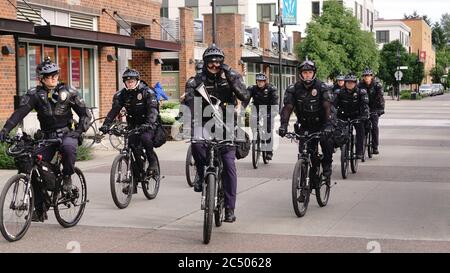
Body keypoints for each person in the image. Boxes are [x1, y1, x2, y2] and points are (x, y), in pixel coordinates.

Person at [0, 57, 91, 222]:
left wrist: (78, 132)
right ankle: (40, 207)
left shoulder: (69, 91)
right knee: (29, 161)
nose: (53, 78)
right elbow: (19, 113)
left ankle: (67, 176)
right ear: (41, 79)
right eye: (49, 76)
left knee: (69, 149)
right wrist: (6, 129)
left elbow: (86, 114)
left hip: (66, 134)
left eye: (55, 75)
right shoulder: (34, 94)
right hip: (47, 137)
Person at [184, 44, 250, 223]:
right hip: (204, 122)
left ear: (222, 63)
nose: (214, 66)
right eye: (210, 63)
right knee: (196, 145)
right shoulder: (196, 81)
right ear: (205, 63)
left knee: (229, 165)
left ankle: (229, 208)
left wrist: (230, 75)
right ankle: (200, 173)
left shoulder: (230, 77)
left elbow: (244, 96)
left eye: (217, 63)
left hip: (227, 123)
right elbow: (189, 102)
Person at [99, 68, 159, 192]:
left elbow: (153, 110)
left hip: (148, 124)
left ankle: (152, 163)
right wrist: (106, 125)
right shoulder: (121, 95)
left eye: (132, 81)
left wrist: (149, 123)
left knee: (145, 138)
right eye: (127, 81)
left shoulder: (147, 92)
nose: (130, 83)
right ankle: (134, 182)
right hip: (133, 126)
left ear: (137, 80)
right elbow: (114, 111)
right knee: (132, 147)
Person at [278, 59, 335, 184]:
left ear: (314, 73)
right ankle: (305, 183)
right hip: (305, 126)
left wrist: (329, 126)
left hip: (322, 124)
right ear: (300, 74)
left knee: (327, 144)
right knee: (305, 153)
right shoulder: (293, 89)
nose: (307, 75)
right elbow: (287, 108)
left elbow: (328, 108)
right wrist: (283, 125)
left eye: (309, 72)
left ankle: (326, 168)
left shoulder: (322, 87)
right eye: (305, 73)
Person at [242, 72, 278, 160]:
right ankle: (256, 138)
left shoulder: (271, 89)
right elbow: (246, 99)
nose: (260, 83)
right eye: (258, 81)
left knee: (268, 130)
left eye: (262, 81)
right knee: (253, 123)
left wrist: (273, 113)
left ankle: (269, 152)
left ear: (265, 81)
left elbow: (275, 102)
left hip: (269, 109)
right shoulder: (252, 88)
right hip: (256, 108)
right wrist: (242, 109)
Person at [334, 73, 370, 159]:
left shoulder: (361, 92)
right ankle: (339, 146)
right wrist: (333, 115)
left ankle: (359, 152)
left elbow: (364, 105)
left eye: (352, 83)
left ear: (355, 83)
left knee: (360, 131)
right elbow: (333, 106)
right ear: (345, 83)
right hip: (343, 115)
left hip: (357, 115)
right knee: (337, 131)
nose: (350, 84)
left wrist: (364, 115)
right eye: (348, 83)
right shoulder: (339, 92)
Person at [358, 68, 385, 154]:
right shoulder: (359, 85)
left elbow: (380, 98)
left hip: (374, 108)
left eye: (368, 76)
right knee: (362, 127)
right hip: (364, 107)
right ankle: (361, 145)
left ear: (371, 77)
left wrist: (380, 109)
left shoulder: (377, 86)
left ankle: (375, 146)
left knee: (374, 126)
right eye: (365, 76)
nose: (366, 78)